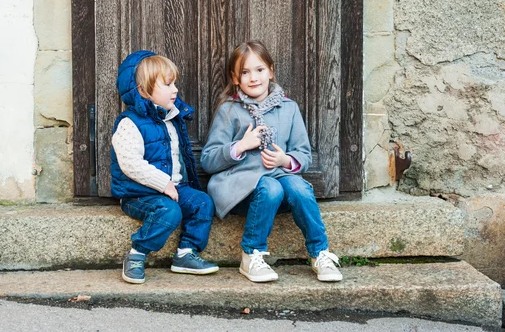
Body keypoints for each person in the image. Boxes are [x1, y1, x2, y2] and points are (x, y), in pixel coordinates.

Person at [201, 41, 342, 283]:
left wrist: (284, 160)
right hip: (242, 192)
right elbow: (208, 160)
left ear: (271, 71)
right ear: (235, 78)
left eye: (259, 70)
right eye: (245, 72)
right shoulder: (229, 110)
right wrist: (241, 146)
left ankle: (319, 253)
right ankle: (251, 254)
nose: (253, 78)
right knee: (271, 186)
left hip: (279, 186)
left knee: (297, 187)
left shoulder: (288, 109)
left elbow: (304, 154)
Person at [111, 50, 219, 284]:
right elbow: (130, 164)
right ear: (143, 91)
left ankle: (186, 253)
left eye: (174, 84)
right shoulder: (130, 124)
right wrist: (163, 183)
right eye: (168, 84)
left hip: (172, 187)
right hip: (138, 195)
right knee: (170, 211)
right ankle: (137, 254)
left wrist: (178, 184)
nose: (175, 89)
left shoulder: (170, 119)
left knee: (202, 202)